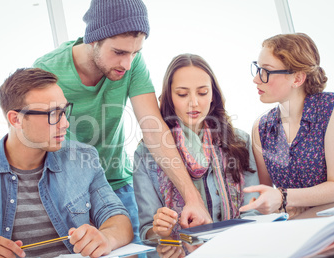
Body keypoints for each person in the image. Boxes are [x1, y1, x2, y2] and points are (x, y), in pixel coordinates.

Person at [33, 0, 212, 241]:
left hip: (118, 181)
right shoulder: (47, 70)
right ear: (93, 39)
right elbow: (38, 143)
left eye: (135, 52)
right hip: (67, 189)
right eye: (119, 52)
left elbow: (154, 129)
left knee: (140, 256)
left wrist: (193, 200)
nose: (127, 64)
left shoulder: (132, 64)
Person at [0, 68, 133, 258]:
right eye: (53, 114)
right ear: (16, 119)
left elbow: (118, 220)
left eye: (63, 111)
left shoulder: (83, 158)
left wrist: (106, 238)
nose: (65, 123)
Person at [133, 54, 260, 240]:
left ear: (213, 96)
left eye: (202, 93)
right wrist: (161, 232)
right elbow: (147, 231)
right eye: (182, 94)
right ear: (169, 97)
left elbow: (253, 212)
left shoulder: (240, 141)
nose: (194, 102)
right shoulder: (146, 152)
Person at [240, 33, 334, 217]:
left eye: (266, 71)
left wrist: (284, 198)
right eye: (258, 69)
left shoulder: (331, 108)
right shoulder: (261, 128)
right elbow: (267, 196)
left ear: (298, 79)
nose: (256, 79)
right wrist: (269, 204)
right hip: (295, 226)